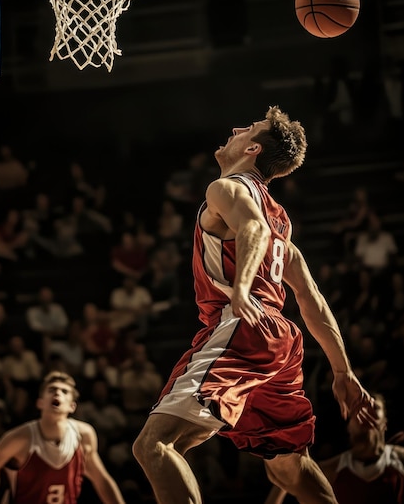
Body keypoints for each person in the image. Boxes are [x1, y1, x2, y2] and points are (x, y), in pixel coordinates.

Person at [132, 106, 378, 504]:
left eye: (247, 128)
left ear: (252, 149)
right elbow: (311, 300)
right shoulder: (282, 221)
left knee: (153, 446)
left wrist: (242, 288)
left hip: (243, 324)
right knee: (287, 467)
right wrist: (343, 371)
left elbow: (252, 228)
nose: (235, 128)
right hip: (281, 339)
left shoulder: (226, 189)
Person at [0, 370, 125, 504]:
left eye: (64, 391)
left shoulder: (84, 435)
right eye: (51, 389)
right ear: (40, 403)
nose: (57, 393)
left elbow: (102, 481)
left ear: (72, 406)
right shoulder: (19, 438)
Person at [264, 393, 404, 504]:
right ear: (349, 425)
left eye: (373, 406)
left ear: (385, 422)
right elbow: (285, 486)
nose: (365, 412)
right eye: (359, 408)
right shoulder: (331, 469)